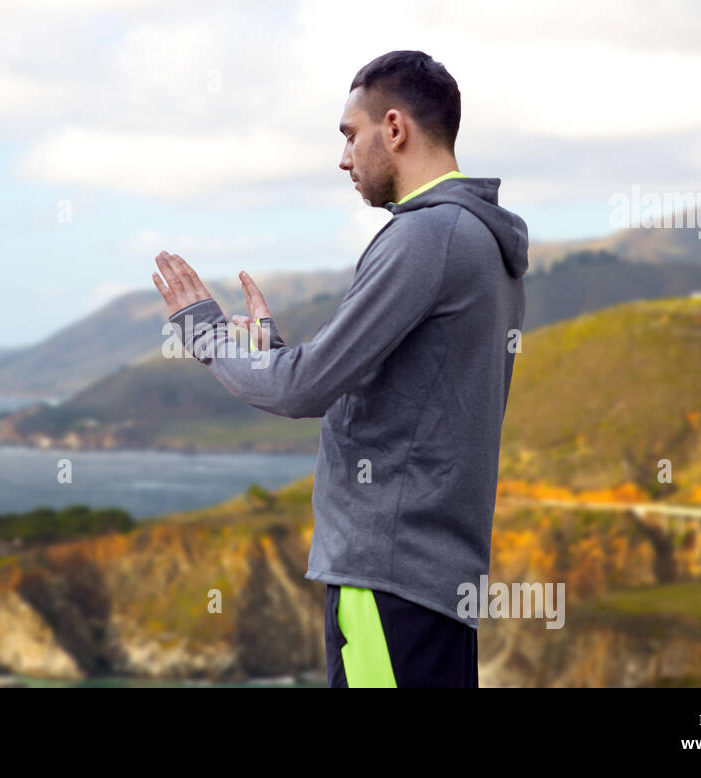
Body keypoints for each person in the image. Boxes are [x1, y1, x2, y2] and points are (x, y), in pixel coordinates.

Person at [151, 51, 528, 687]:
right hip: (430, 586)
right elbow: (380, 390)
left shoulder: (426, 237)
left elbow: (304, 388)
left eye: (351, 135)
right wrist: (267, 353)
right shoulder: (480, 241)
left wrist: (204, 332)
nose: (344, 159)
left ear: (395, 128)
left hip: (388, 578)